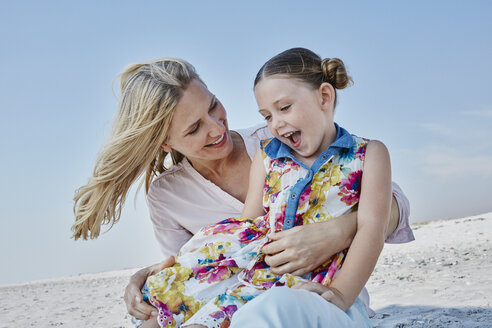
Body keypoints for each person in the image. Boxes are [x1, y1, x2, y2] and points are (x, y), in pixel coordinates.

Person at [72, 54, 414, 326]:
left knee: (269, 312)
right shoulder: (169, 194)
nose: (216, 127)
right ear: (164, 143)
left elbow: (391, 207)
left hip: (311, 291)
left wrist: (336, 232)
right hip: (242, 284)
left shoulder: (279, 138)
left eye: (213, 106)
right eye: (193, 129)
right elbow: (210, 257)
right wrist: (146, 278)